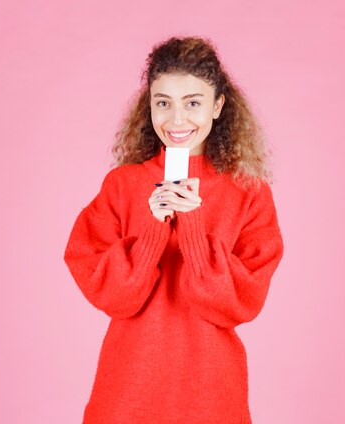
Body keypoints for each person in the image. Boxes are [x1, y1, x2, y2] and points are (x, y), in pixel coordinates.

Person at [63, 35, 284, 424]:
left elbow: (240, 304)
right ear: (148, 106)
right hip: (127, 390)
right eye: (163, 103)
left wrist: (194, 227)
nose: (177, 120)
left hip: (211, 393)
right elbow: (115, 298)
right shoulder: (122, 185)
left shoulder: (249, 193)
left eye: (193, 103)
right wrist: (152, 230)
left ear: (218, 106)